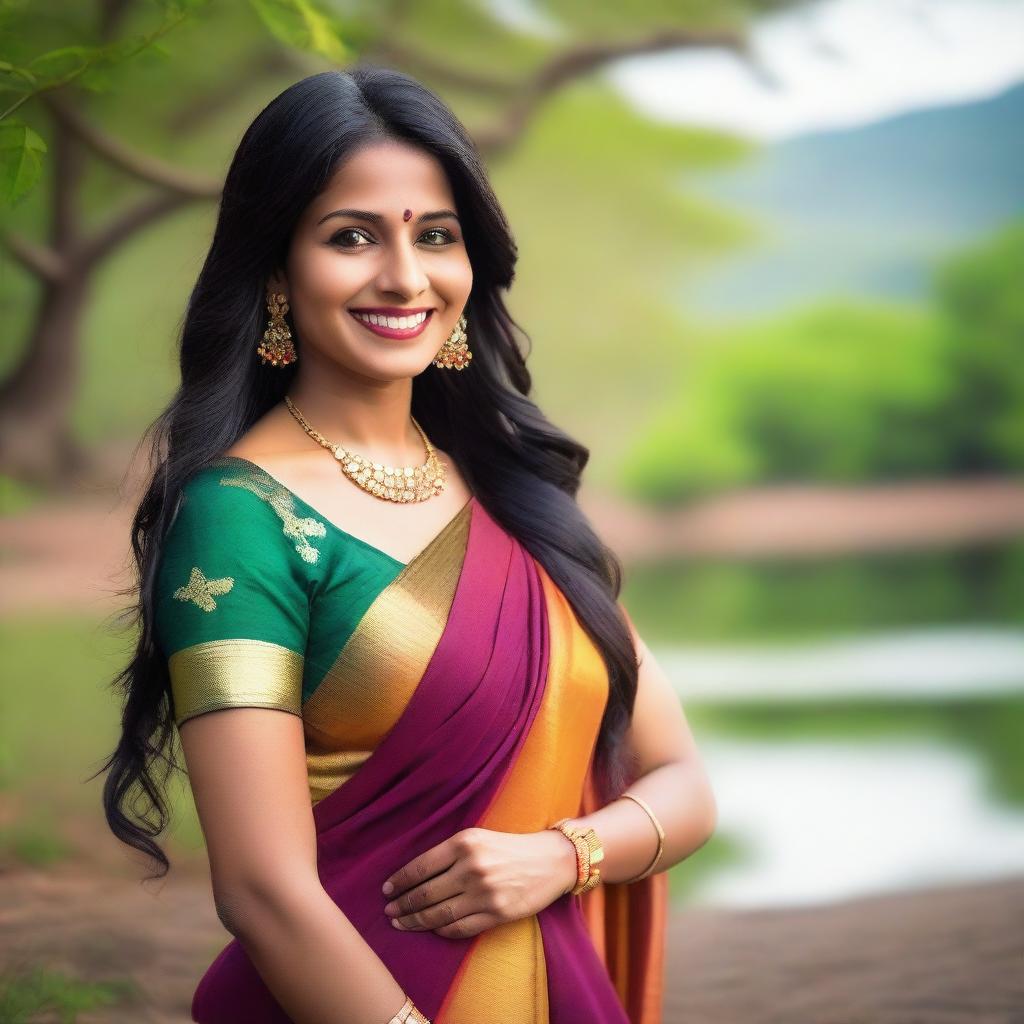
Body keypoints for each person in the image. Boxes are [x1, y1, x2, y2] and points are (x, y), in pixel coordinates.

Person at [99, 64, 717, 1024]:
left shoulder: (512, 492)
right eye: (352, 237)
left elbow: (683, 781)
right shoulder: (242, 518)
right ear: (275, 272)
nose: (405, 276)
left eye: (436, 236)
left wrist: (563, 854)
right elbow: (262, 892)